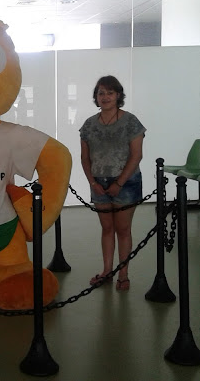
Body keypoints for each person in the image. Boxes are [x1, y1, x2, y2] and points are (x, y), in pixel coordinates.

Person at [79, 75, 146, 291]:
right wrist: (92, 182)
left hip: (126, 183)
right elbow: (85, 157)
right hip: (98, 183)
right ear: (96, 97)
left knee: (123, 229)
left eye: (109, 93)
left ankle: (123, 275)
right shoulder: (89, 125)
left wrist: (119, 182)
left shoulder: (131, 122)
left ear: (118, 95)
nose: (105, 97)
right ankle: (107, 271)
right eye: (101, 93)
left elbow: (136, 156)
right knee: (106, 228)